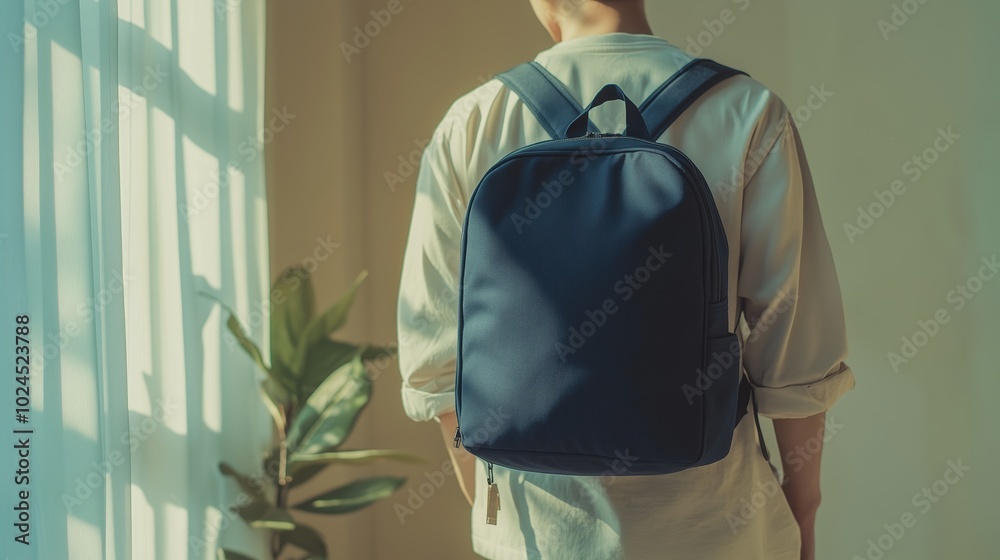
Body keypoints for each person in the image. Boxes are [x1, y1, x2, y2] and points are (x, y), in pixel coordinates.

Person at [396, 1, 856, 558]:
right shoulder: (749, 112)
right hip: (719, 529)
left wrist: (488, 512)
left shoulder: (474, 121)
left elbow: (435, 363)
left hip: (535, 536)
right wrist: (803, 512)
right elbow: (796, 352)